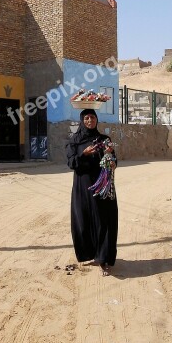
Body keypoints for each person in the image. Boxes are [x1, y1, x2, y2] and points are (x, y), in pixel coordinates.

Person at [65, 109, 118, 276]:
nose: (90, 120)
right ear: (82, 120)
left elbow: (114, 162)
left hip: (102, 185)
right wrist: (84, 153)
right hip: (83, 187)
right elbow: (71, 163)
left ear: (97, 119)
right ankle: (89, 253)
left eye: (92, 117)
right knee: (84, 219)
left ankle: (104, 259)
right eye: (86, 118)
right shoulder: (74, 141)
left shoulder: (104, 140)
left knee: (104, 220)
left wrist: (110, 156)